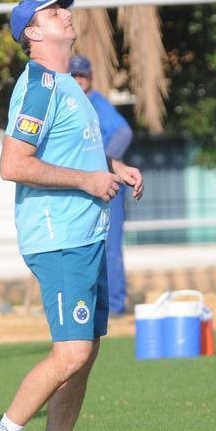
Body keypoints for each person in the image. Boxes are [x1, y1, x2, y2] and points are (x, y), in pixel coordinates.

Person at [0, 0, 144, 431]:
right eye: (53, 12)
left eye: (64, 8)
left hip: (86, 232)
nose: (65, 14)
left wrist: (113, 168)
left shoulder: (69, 86)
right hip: (58, 236)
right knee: (69, 353)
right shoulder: (40, 86)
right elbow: (13, 165)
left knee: (84, 353)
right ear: (32, 33)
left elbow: (75, 155)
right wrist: (88, 182)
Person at [68, 54, 133, 314]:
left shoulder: (96, 103)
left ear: (90, 78)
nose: (78, 80)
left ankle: (115, 306)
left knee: (110, 247)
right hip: (84, 186)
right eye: (73, 76)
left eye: (81, 75)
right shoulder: (70, 104)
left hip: (108, 186)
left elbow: (123, 132)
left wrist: (102, 163)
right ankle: (93, 304)